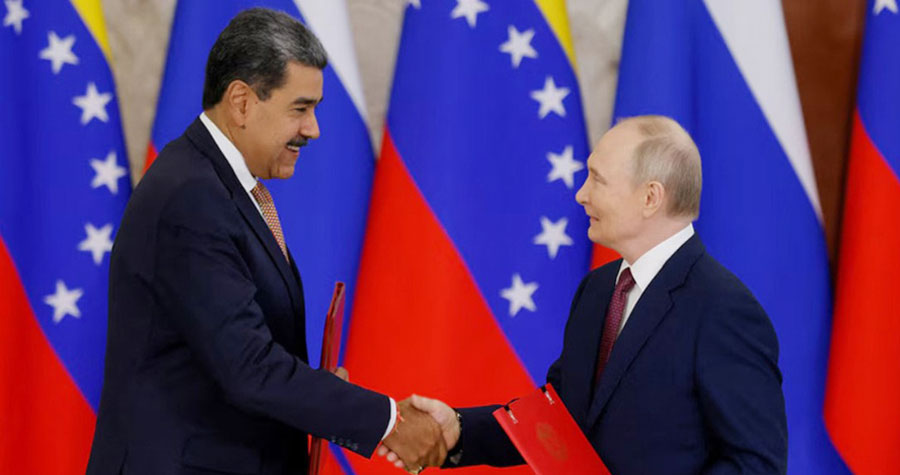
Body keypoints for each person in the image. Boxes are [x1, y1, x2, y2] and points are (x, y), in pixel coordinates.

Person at [86, 8, 443, 475]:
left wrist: (323, 395)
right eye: (300, 108)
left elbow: (237, 350)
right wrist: (388, 423)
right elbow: (250, 367)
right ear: (241, 102)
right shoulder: (190, 196)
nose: (313, 129)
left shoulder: (219, 185)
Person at [386, 115, 788, 474]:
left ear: (650, 198)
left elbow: (756, 463)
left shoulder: (723, 309)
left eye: (598, 179)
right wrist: (458, 429)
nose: (581, 194)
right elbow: (560, 419)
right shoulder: (598, 290)